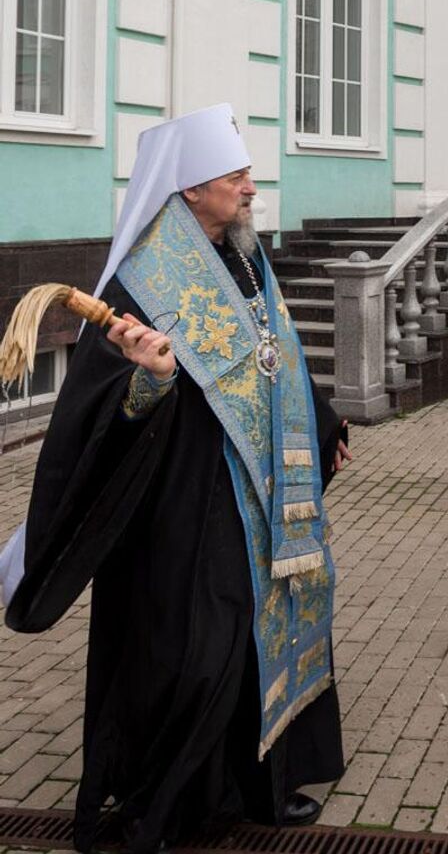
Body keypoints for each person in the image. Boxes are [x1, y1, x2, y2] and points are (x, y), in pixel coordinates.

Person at [2, 104, 350, 853]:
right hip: (179, 506)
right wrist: (152, 378)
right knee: (202, 650)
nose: (251, 188)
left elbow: (277, 353)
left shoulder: (247, 255)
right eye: (236, 177)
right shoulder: (141, 280)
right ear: (191, 190)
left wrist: (326, 428)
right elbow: (95, 414)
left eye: (248, 174)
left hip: (254, 491)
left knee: (261, 638)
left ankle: (250, 785)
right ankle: (157, 808)